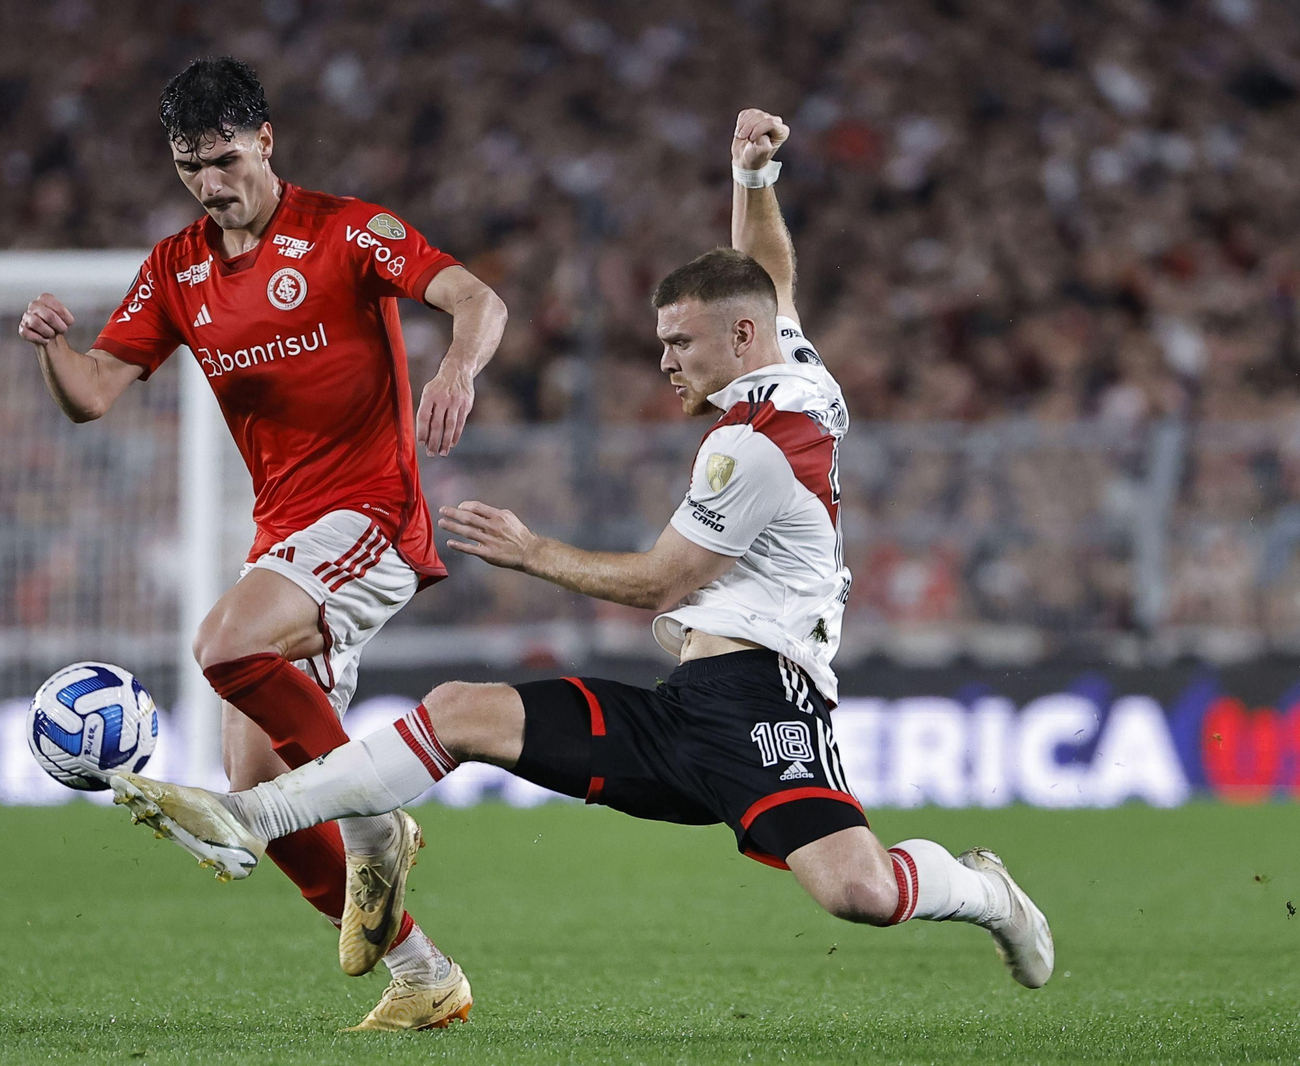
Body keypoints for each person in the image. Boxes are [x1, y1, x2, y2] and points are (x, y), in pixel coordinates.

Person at [106, 108, 1054, 1017]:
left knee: (859, 893)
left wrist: (531, 553)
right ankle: (258, 817)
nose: (666, 363)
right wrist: (753, 177)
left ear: (736, 342)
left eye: (680, 344)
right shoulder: (794, 366)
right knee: (457, 712)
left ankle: (984, 892)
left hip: (766, 707)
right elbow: (763, 277)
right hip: (683, 705)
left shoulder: (753, 446)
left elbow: (659, 582)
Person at [17, 57, 506, 1030]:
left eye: (226, 159)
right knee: (263, 798)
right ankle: (423, 973)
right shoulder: (174, 268)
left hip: (369, 514)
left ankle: (377, 821)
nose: (210, 182)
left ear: (266, 140)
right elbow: (93, 396)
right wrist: (50, 350)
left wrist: (455, 371)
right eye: (190, 164)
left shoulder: (345, 231)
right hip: (285, 538)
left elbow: (476, 299)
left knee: (221, 647)